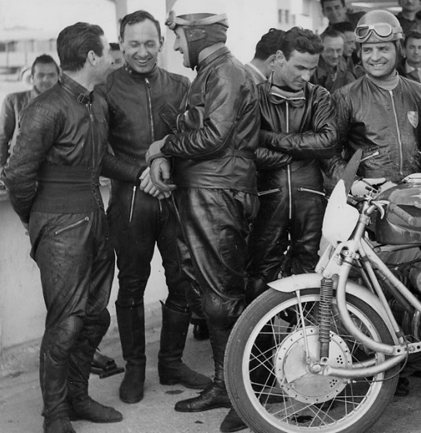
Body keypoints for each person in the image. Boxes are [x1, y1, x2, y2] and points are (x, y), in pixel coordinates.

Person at [1, 22, 122, 433]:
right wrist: (36, 220)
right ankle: (54, 414)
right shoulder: (45, 108)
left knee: (94, 317)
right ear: (91, 57)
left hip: (95, 218)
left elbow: (100, 160)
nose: (112, 59)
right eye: (107, 52)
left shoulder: (97, 101)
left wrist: (146, 170)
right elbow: (18, 175)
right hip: (60, 225)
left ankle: (78, 397)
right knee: (66, 324)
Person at [146, 1, 261, 431]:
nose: (175, 47)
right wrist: (166, 153)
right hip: (207, 193)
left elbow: (213, 137)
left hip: (217, 194)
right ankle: (225, 384)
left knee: (223, 298)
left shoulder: (225, 73)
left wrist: (163, 147)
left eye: (177, 36)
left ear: (195, 33)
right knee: (213, 297)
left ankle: (243, 393)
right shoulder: (213, 73)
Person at [95, 9, 210, 405]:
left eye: (149, 43)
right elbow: (98, 155)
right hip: (130, 202)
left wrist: (166, 169)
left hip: (175, 195)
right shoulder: (106, 89)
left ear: (161, 44)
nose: (142, 52)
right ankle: (135, 368)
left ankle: (171, 363)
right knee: (131, 285)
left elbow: (196, 141)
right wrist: (142, 173)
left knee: (182, 281)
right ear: (121, 45)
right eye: (134, 45)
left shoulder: (181, 85)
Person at [327, 9, 421, 397]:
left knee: (415, 278)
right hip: (369, 209)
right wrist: (354, 184)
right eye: (368, 50)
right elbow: (329, 155)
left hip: (414, 205)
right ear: (359, 54)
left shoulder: (418, 92)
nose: (375, 56)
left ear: (398, 49)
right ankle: (382, 361)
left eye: (383, 48)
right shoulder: (346, 97)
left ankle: (418, 354)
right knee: (374, 286)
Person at [247, 26, 337, 313]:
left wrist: (270, 138)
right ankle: (258, 341)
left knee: (310, 275)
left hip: (309, 200)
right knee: (259, 274)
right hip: (267, 198)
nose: (306, 76)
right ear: (278, 58)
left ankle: (305, 340)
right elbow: (247, 151)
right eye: (300, 67)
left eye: (312, 69)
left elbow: (327, 142)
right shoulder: (254, 96)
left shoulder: (319, 96)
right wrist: (297, 154)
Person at [0, 54, 59, 167]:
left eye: (51, 75)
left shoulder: (68, 104)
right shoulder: (13, 101)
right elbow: (2, 139)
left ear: (58, 78)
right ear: (32, 78)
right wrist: (2, 169)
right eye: (41, 75)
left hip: (55, 171)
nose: (46, 80)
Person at [311, 27, 356, 93]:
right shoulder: (311, 70)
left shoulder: (343, 64)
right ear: (320, 50)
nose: (335, 56)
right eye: (329, 51)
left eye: (339, 50)